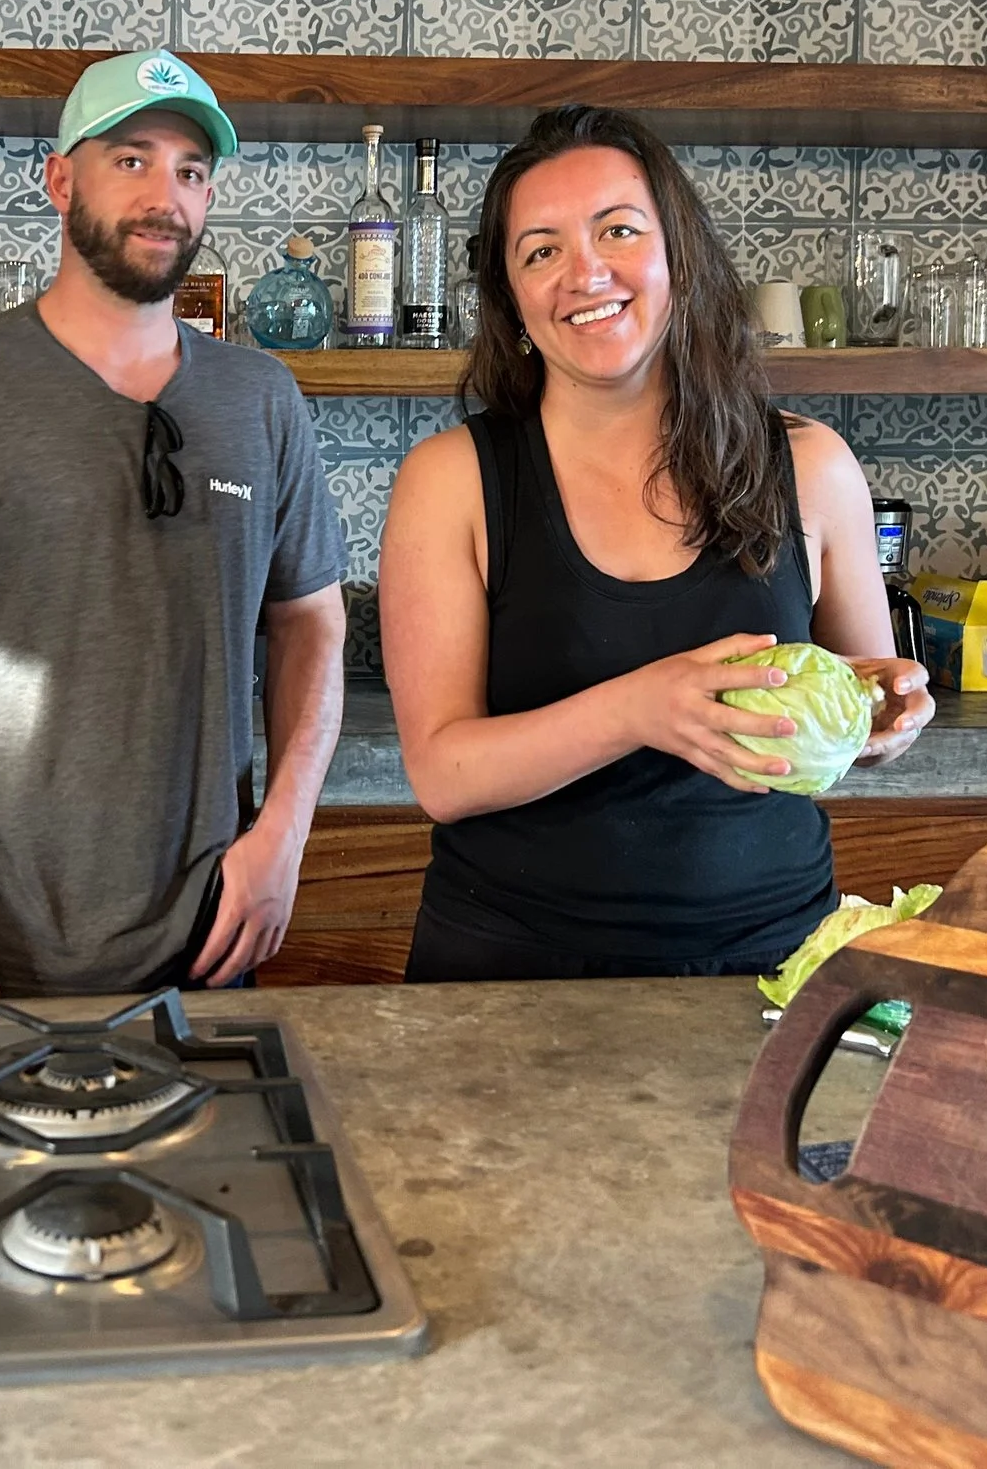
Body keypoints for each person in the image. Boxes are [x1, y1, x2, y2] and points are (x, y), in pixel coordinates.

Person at [0, 50, 348, 999]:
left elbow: (312, 621)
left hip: (208, 938)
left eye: (192, 171)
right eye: (132, 159)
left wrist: (283, 834)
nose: (167, 195)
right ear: (60, 178)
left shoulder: (261, 397)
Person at [379, 105, 935, 983]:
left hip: (774, 962)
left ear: (679, 254)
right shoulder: (452, 480)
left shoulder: (813, 465)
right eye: (541, 249)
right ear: (513, 300)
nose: (585, 271)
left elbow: (866, 703)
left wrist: (887, 710)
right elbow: (444, 772)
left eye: (619, 229)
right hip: (513, 975)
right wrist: (641, 707)